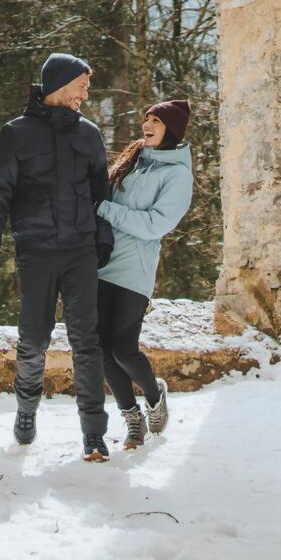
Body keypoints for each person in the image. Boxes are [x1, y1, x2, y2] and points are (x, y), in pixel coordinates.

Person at [0, 53, 115, 462]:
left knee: (87, 342)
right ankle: (26, 410)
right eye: (82, 86)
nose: (86, 95)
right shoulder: (16, 134)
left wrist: (102, 239)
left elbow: (100, 195)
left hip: (80, 251)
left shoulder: (89, 134)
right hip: (36, 252)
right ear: (60, 84)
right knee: (34, 340)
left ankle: (93, 433)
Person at [97, 99, 193, 450]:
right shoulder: (134, 160)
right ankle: (131, 417)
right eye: (146, 118)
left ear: (172, 130)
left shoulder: (177, 175)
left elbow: (156, 224)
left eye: (156, 120)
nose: (146, 124)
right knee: (99, 348)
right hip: (101, 265)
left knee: (123, 348)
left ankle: (154, 396)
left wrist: (105, 210)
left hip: (134, 272)